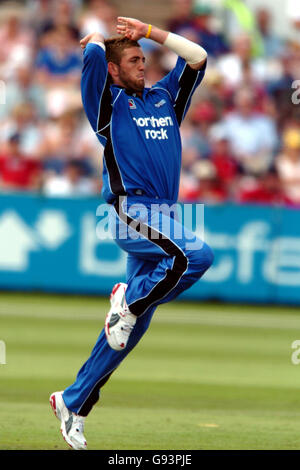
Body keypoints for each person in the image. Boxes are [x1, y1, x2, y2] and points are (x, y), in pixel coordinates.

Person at [50, 16, 214, 450]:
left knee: (129, 331)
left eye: (145, 59)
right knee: (195, 256)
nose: (144, 65)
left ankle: (73, 402)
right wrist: (97, 45)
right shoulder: (108, 107)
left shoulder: (165, 99)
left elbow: (197, 57)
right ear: (115, 70)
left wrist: (151, 32)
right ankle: (127, 302)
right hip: (130, 210)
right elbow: (92, 54)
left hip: (163, 217)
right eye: (135, 60)